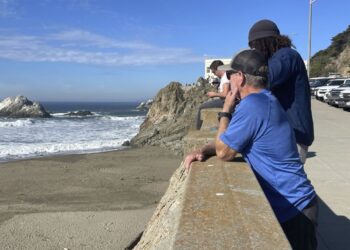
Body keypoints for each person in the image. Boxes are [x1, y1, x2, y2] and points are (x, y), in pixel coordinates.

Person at [185, 49, 318, 250]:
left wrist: (225, 111)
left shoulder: (253, 105)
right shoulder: (266, 99)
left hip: (294, 209)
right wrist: (204, 149)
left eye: (231, 75)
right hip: (299, 204)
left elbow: (224, 153)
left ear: (240, 77)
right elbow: (232, 142)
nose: (229, 79)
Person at [248, 19, 314, 164]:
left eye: (254, 46)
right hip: (288, 136)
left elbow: (265, 80)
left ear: (263, 42)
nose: (254, 51)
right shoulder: (282, 56)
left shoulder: (286, 55)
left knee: (285, 185)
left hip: (293, 137)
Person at [195, 60, 230, 130]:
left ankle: (198, 128)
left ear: (218, 69)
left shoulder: (225, 77)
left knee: (201, 107)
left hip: (225, 101)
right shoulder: (225, 76)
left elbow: (226, 94)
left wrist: (214, 94)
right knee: (207, 102)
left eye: (214, 72)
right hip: (223, 100)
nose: (214, 74)